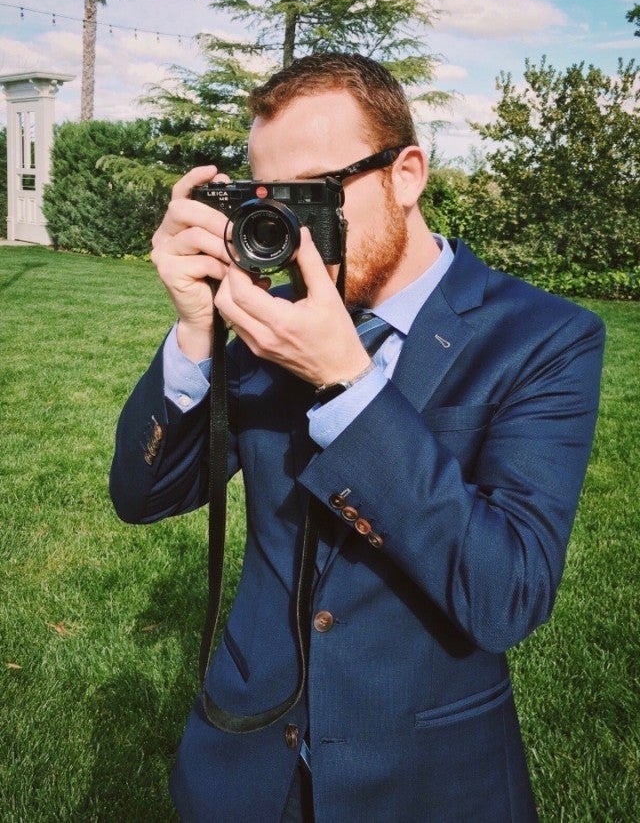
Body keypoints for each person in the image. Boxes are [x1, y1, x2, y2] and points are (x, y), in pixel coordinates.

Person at [110, 52, 604, 822]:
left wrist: (348, 383)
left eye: (316, 193)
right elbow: (146, 496)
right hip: (246, 763)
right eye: (271, 200)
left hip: (427, 777)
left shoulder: (543, 338)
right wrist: (196, 330)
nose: (294, 231)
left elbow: (508, 594)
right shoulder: (269, 324)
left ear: (407, 174)